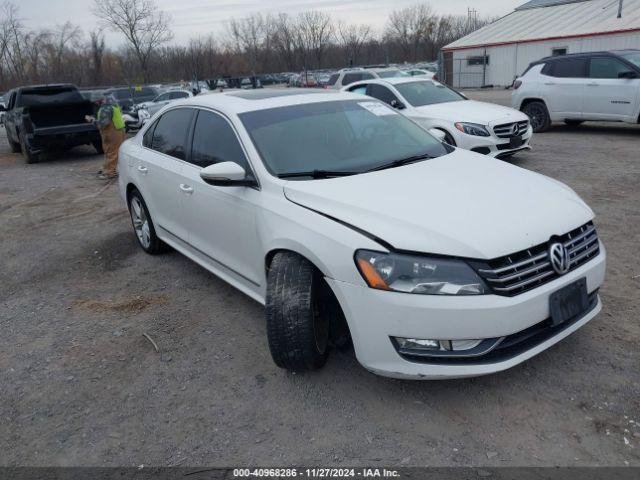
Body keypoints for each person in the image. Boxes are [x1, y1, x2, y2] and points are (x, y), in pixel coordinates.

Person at [85, 95, 126, 180]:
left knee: (111, 152)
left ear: (100, 100)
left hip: (111, 133)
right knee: (114, 152)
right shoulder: (114, 104)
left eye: (96, 101)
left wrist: (91, 120)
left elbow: (102, 124)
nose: (95, 103)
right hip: (119, 130)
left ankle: (109, 172)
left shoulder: (105, 108)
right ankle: (108, 169)